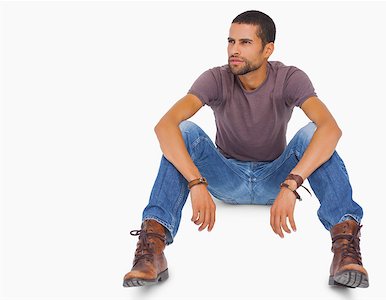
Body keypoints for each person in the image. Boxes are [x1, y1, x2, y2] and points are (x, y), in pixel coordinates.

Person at [123, 10, 369, 289]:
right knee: (183, 132)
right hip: (225, 176)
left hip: (277, 178)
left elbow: (330, 128)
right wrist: (195, 182)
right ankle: (152, 249)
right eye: (231, 41)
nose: (234, 51)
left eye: (245, 43)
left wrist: (291, 184)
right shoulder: (215, 78)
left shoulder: (290, 78)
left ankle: (344, 249)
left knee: (314, 133)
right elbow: (164, 126)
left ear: (268, 49)